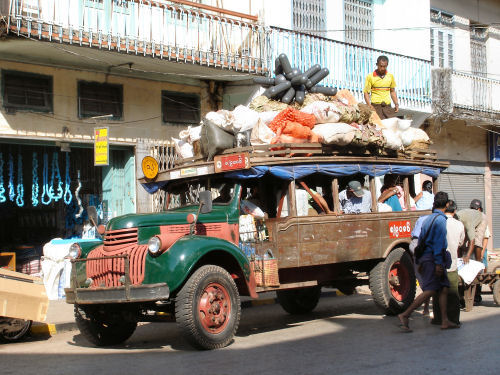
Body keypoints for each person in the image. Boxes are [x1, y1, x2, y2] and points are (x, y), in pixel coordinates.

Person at [397, 191, 459, 332]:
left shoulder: (427, 219)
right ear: (447, 204)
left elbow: (421, 241)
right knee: (430, 290)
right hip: (433, 259)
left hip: (426, 258)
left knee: (443, 288)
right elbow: (438, 244)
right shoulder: (441, 221)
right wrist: (438, 263)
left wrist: (419, 261)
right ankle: (405, 314)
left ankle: (444, 320)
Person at [432, 200, 465, 326]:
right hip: (452, 263)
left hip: (437, 262)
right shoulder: (459, 224)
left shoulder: (438, 221)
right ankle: (453, 319)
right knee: (452, 293)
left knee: (437, 291)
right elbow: (461, 243)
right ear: (454, 211)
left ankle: (438, 318)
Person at [456, 199, 488, 305]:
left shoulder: (470, 222)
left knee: (477, 241)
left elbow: (473, 241)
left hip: (479, 220)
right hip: (468, 220)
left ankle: (478, 264)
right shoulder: (456, 221)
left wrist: (468, 256)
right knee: (462, 243)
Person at [363, 55, 399, 119]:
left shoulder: (390, 76)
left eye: (384, 66)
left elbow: (392, 92)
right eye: (381, 66)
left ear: (387, 65)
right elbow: (366, 93)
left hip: (387, 107)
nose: (382, 68)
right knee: (377, 127)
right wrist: (369, 105)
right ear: (377, 64)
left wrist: (396, 103)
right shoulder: (370, 77)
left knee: (390, 126)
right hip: (376, 107)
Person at [409, 214, 431, 315]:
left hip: (415, 244)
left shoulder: (421, 218)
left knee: (425, 283)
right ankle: (407, 313)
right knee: (429, 285)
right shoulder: (435, 219)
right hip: (422, 246)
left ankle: (425, 308)